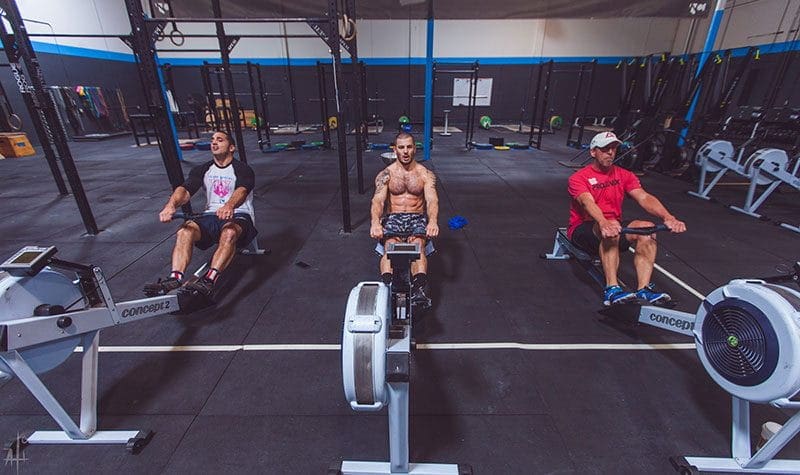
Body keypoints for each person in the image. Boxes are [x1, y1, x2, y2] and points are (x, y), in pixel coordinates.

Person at [567, 131, 687, 306]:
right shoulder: (579, 178)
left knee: (647, 228)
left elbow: (644, 198)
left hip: (614, 227)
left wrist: (668, 217)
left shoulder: (624, 175)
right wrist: (603, 222)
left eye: (614, 149)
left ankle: (644, 288)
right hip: (583, 230)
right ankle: (612, 289)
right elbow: (587, 203)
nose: (610, 153)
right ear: (593, 152)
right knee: (610, 229)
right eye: (605, 149)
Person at [144, 130, 257, 298]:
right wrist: (170, 206)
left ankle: (209, 280)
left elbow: (242, 190)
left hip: (238, 215)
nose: (214, 143)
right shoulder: (203, 169)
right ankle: (175, 278)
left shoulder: (242, 169)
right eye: (212, 140)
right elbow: (185, 189)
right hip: (211, 216)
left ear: (232, 147)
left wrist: (229, 205)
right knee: (184, 231)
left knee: (229, 233)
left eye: (220, 140)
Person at [370, 132, 439, 309]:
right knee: (390, 245)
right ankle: (387, 285)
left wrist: (433, 222)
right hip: (394, 217)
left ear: (415, 148)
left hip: (417, 216)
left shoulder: (425, 174)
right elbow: (378, 200)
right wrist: (375, 223)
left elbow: (432, 200)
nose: (406, 151)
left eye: (409, 147)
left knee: (418, 245)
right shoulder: (386, 174)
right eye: (401, 147)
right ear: (395, 149)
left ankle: (419, 289)